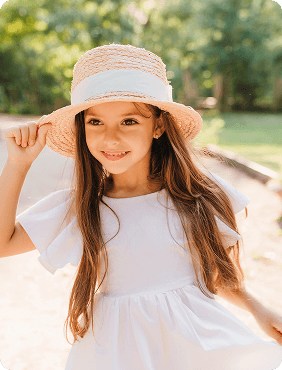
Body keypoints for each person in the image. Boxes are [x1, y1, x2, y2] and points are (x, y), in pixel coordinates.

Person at [0, 44, 282, 370]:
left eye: (130, 121)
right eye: (95, 123)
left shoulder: (197, 195)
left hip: (196, 343)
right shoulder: (78, 208)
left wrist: (259, 310)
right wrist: (18, 165)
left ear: (159, 126)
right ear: (81, 128)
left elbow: (215, 275)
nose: (111, 138)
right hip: (114, 352)